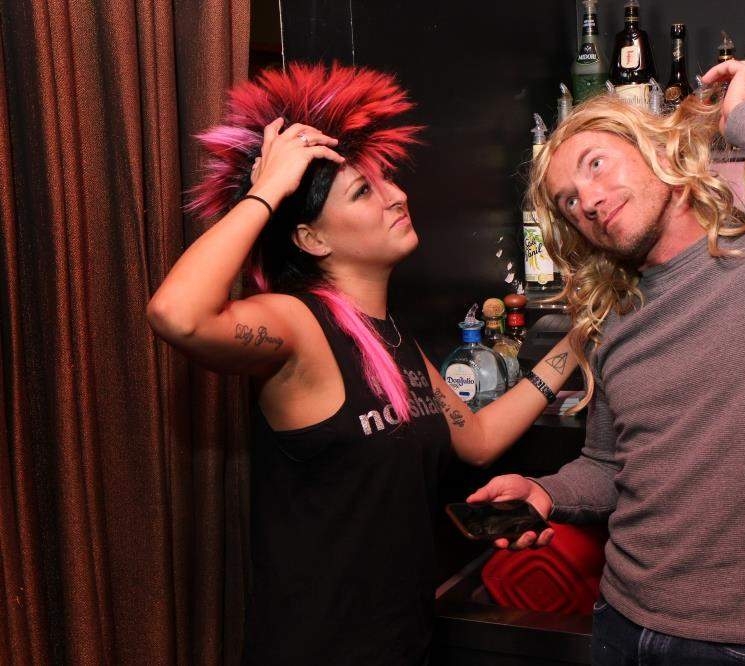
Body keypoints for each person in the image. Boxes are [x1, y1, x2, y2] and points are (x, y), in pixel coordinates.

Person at [468, 60, 745, 665]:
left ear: (658, 150)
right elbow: (607, 465)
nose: (589, 202)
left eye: (595, 164)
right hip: (622, 620)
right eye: (569, 200)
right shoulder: (616, 318)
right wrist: (544, 493)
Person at [146, 62, 577, 665]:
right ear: (311, 239)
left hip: (402, 643)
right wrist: (267, 190)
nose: (397, 195)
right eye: (362, 192)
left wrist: (580, 341)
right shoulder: (298, 324)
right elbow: (178, 316)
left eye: (386, 181)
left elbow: (478, 439)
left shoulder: (391, 337)